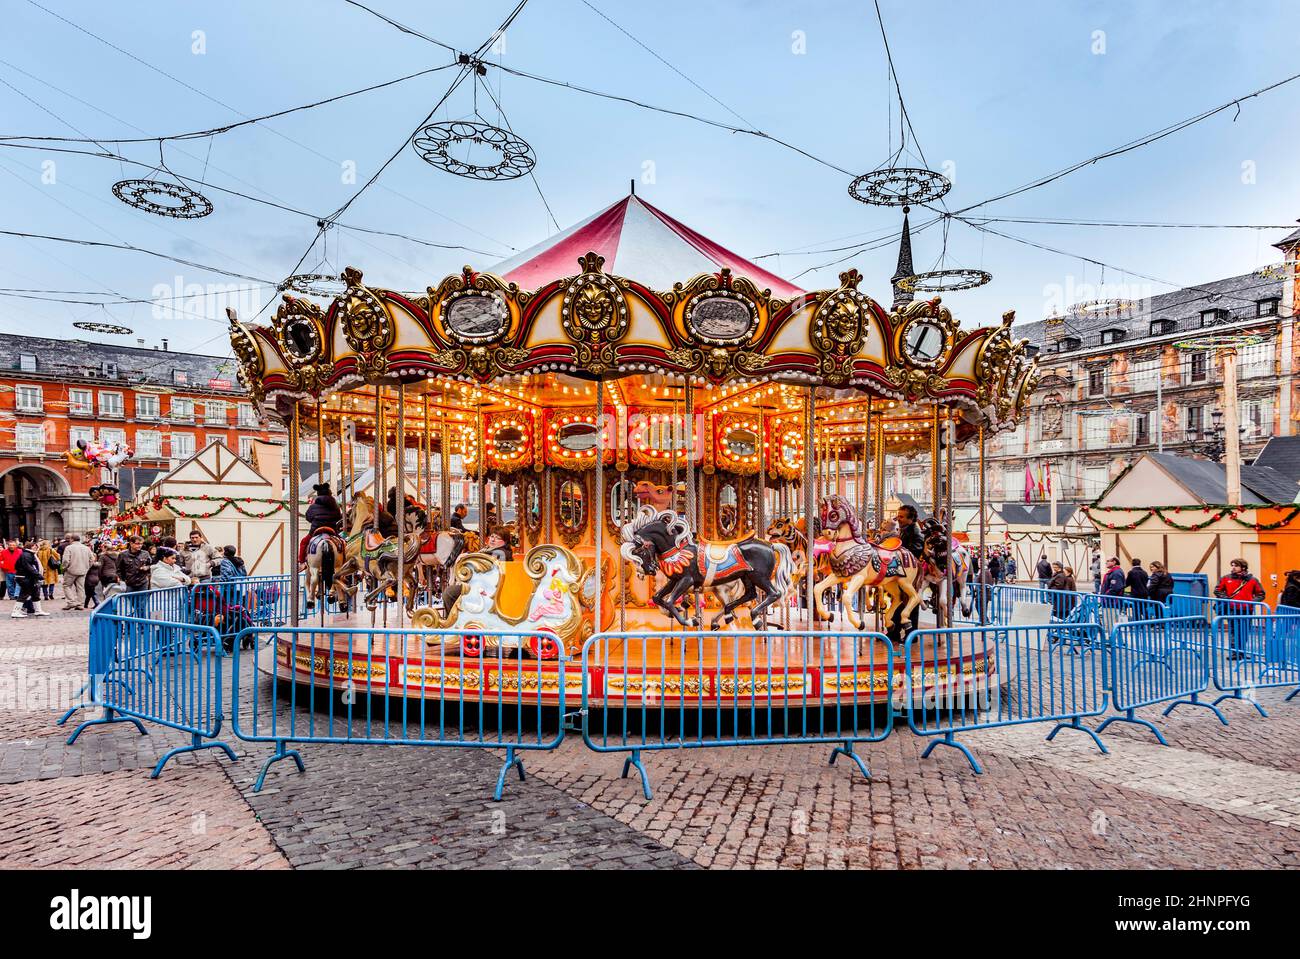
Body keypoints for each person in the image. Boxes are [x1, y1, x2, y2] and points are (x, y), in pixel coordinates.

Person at [887, 505, 925, 643]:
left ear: (910, 519)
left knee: (910, 602)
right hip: (901, 569)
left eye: (902, 516)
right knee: (898, 601)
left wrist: (898, 551)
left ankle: (911, 633)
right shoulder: (904, 530)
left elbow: (916, 550)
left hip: (910, 571)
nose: (899, 518)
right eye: (898, 515)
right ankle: (894, 631)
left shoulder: (915, 532)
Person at [1215, 559, 1265, 659]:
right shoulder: (1225, 578)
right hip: (1232, 609)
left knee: (1244, 631)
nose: (1233, 568)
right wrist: (1227, 599)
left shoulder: (1252, 580)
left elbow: (1261, 594)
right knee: (1234, 630)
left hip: (1247, 610)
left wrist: (1251, 602)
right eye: (1232, 565)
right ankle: (1235, 653)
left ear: (1243, 567)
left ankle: (1241, 652)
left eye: (1236, 566)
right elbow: (1217, 590)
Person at [10, 541, 48, 618]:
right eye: (35, 546)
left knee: (35, 594)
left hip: (27, 577)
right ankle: (15, 612)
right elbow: (29, 567)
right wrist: (38, 575)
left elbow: (17, 566)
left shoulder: (28, 554)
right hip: (25, 577)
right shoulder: (27, 555)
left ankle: (38, 610)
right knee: (24, 594)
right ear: (31, 546)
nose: (37, 547)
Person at [59, 534, 95, 611]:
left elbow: (65, 560)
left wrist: (64, 568)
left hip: (71, 570)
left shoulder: (69, 548)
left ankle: (71, 602)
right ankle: (80, 604)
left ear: (72, 539)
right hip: (82, 571)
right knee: (80, 588)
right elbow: (92, 559)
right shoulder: (86, 548)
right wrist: (87, 567)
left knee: (66, 586)